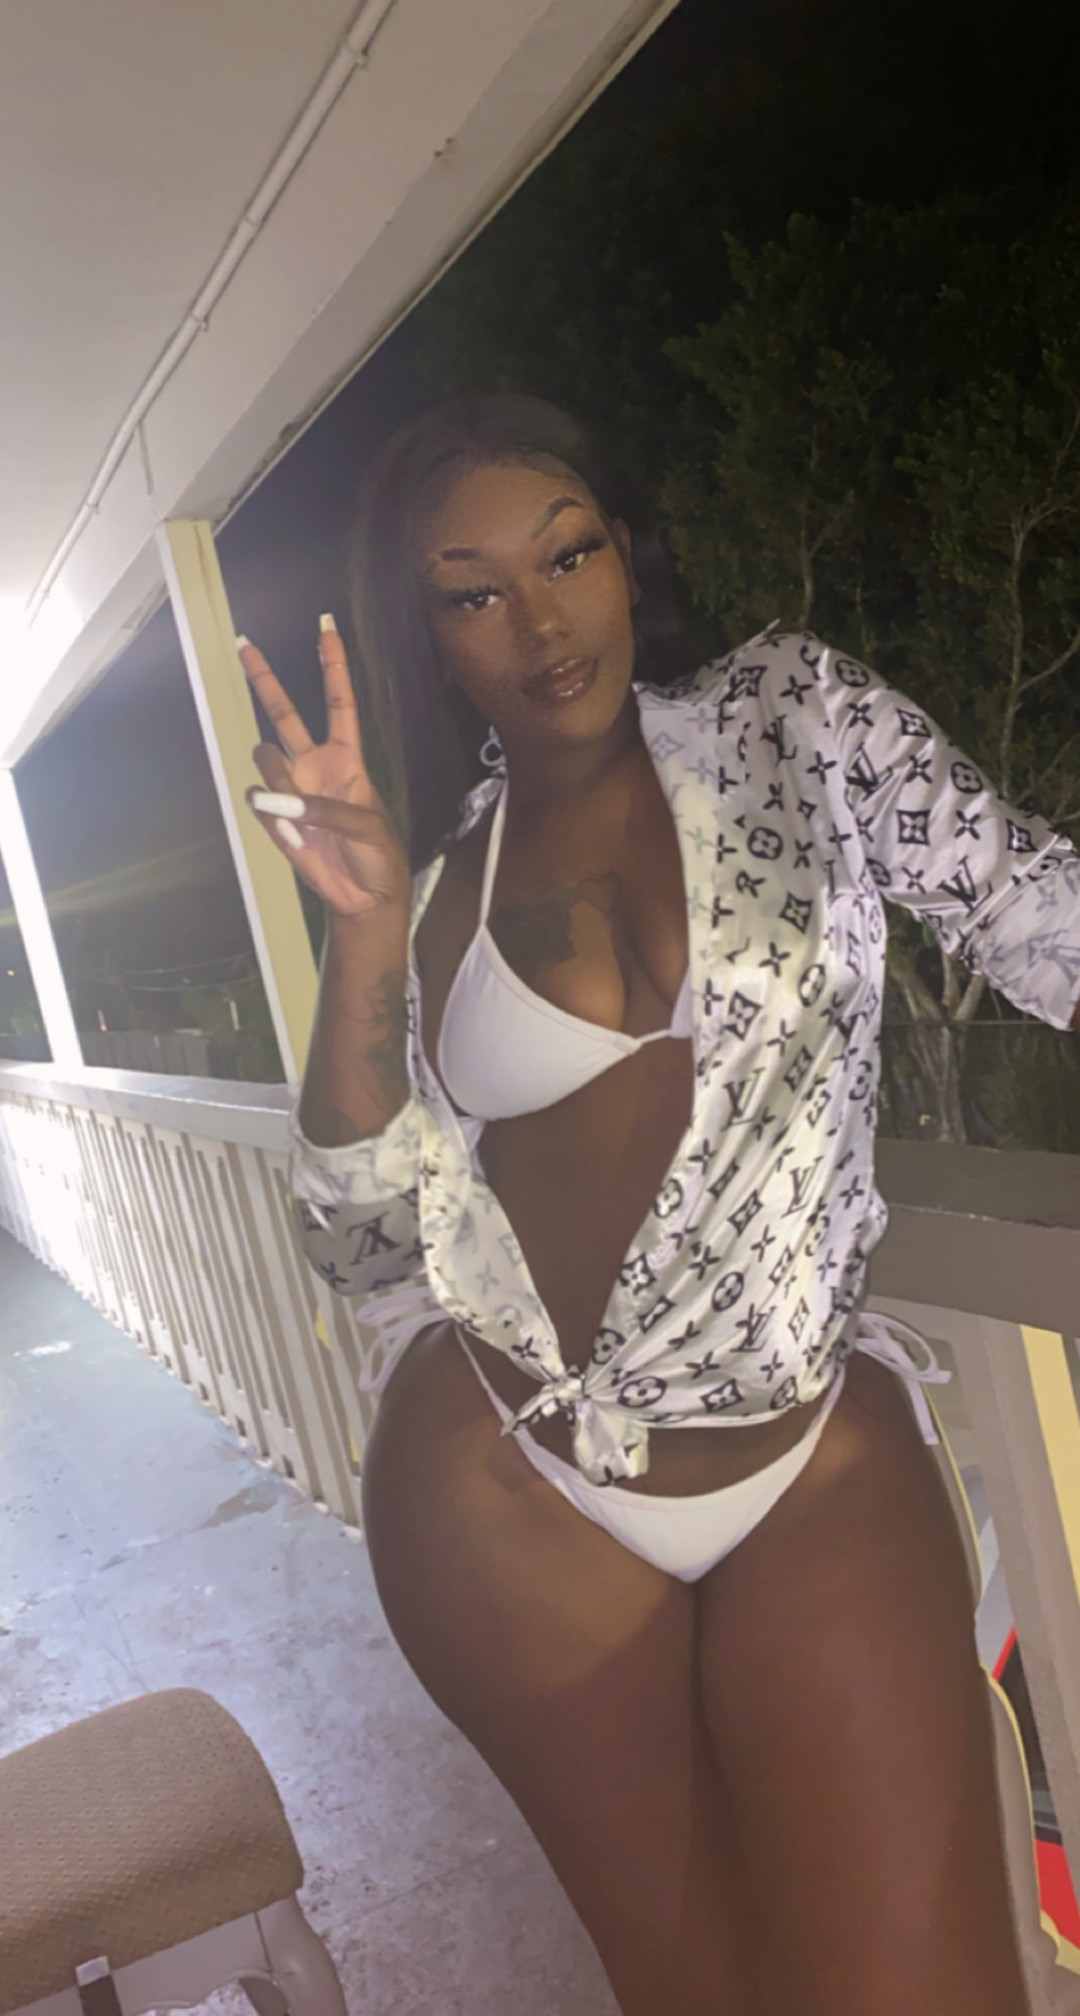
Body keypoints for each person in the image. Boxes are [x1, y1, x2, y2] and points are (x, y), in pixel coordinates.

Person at [240, 396, 1080, 2016]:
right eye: (475, 592)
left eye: (567, 556)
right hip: (515, 1494)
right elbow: (362, 1243)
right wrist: (360, 940)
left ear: (626, 555)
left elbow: (1041, 920)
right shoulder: (440, 882)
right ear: (432, 637)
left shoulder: (794, 717)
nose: (540, 620)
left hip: (807, 1457)